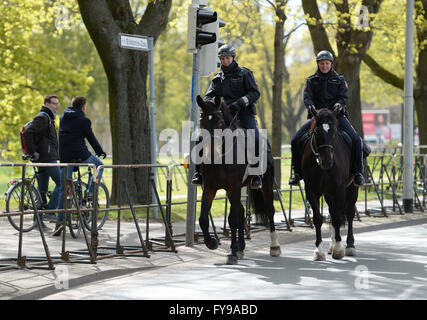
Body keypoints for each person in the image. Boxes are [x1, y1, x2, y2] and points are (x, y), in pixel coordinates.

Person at [191, 44, 263, 189]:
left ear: (233, 58)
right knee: (199, 136)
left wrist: (241, 102)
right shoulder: (217, 79)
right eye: (222, 59)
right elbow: (209, 96)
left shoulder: (245, 74)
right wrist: (208, 104)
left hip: (243, 113)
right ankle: (198, 173)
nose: (225, 61)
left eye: (227, 58)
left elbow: (255, 93)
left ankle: (256, 174)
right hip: (222, 115)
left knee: (255, 136)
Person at [289, 50, 365, 187]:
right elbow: (307, 97)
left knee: (356, 139)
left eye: (327, 63)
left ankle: (358, 172)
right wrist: (310, 106)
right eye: (322, 63)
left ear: (331, 64)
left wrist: (339, 105)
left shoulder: (340, 79)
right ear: (318, 64)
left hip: (336, 117)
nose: (324, 66)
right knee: (295, 140)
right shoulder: (311, 80)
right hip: (317, 118)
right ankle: (297, 173)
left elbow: (343, 96)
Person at [53, 96, 106, 236]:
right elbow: (91, 137)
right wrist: (100, 151)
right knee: (99, 166)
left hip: (64, 156)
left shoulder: (63, 117)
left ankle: (59, 222)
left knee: (64, 189)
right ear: (83, 107)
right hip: (79, 153)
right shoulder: (83, 120)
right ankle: (90, 191)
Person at [23, 95, 62, 223]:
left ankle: (37, 221)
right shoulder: (43, 117)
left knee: (42, 190)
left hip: (45, 157)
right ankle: (50, 212)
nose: (57, 106)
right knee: (62, 183)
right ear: (47, 103)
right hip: (46, 159)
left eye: (57, 104)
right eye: (54, 103)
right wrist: (34, 151)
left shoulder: (48, 117)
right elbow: (29, 132)